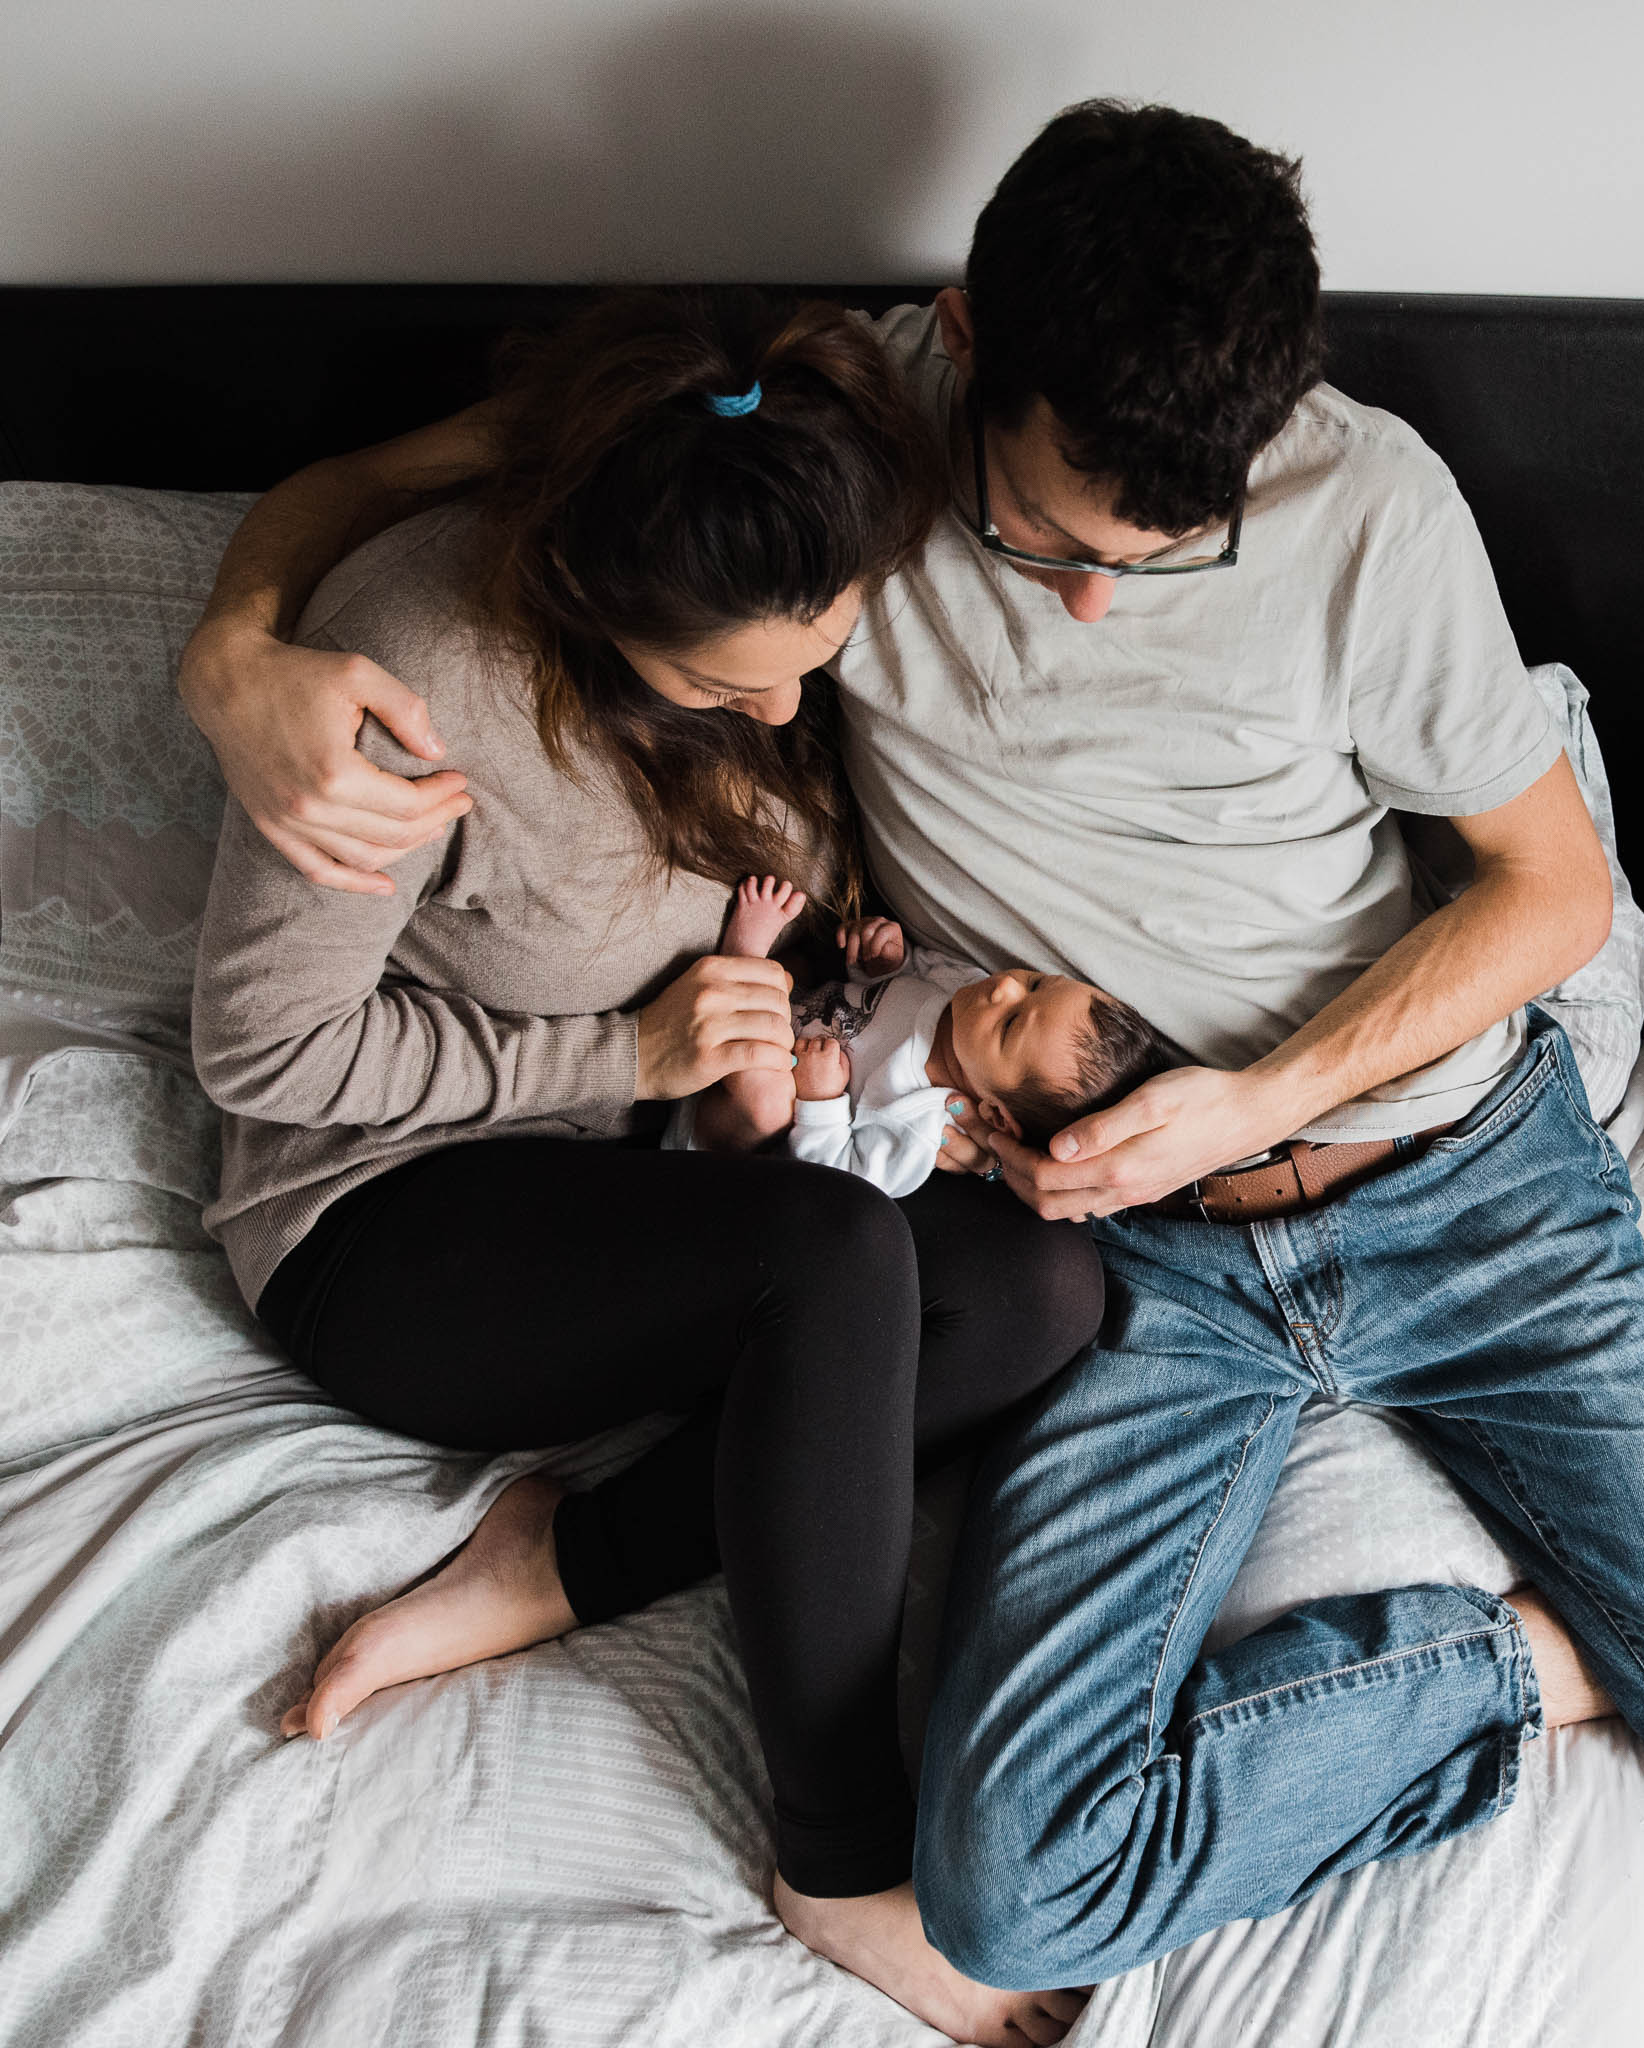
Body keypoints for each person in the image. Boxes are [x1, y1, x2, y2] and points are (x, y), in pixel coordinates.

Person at [177, 104, 1644, 2048]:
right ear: (967, 350)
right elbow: (386, 496)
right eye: (1039, 539)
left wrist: (1251, 1097)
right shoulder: (810, 451)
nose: (1084, 601)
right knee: (1007, 1866)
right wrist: (236, 654)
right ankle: (1458, 1685)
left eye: (1158, 554)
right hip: (1116, 1233)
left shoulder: (1368, 512)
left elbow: (1553, 891)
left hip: (1453, 1173)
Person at [188, 287, 1096, 2048]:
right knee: (833, 1260)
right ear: (597, 609)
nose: (780, 700)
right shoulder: (409, 694)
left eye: (813, 651)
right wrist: (627, 1054)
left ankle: (561, 1554)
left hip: (653, 1174)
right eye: (720, 677)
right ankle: (832, 1856)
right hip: (381, 1216)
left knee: (1037, 1290)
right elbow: (266, 1052)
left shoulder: (770, 463)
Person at [682, 872, 1173, 1194]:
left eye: (1009, 1025)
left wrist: (821, 1101)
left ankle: (741, 951)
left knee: (767, 1097)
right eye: (1035, 983)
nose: (1003, 988)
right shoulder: (966, 990)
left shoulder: (922, 1125)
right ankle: (742, 982)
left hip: (724, 1133)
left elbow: (839, 1182)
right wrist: (885, 961)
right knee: (794, 975)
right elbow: (901, 982)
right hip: (757, 1026)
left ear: (995, 1114)